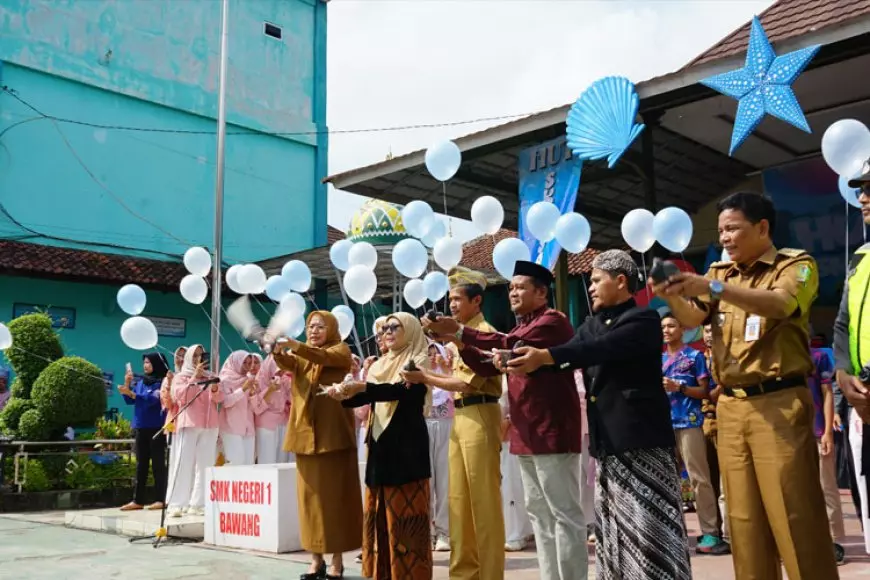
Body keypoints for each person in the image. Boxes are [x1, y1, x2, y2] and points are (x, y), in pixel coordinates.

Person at [652, 191, 838, 578]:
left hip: (779, 403)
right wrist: (672, 294)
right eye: (720, 231)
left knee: (794, 514)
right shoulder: (719, 273)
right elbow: (690, 319)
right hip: (731, 407)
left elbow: (780, 305)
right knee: (743, 520)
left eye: (732, 228)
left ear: (762, 228)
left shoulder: (794, 265)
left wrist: (711, 287)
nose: (724, 238)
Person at [510, 250, 691, 580]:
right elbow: (570, 356)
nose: (590, 287)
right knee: (616, 530)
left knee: (648, 527)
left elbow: (594, 350)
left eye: (596, 280)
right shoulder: (592, 324)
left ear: (621, 282)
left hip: (642, 443)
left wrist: (546, 356)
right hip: (608, 443)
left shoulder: (643, 320)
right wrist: (519, 360)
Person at [425, 261, 586, 580]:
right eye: (510, 287)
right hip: (526, 431)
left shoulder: (552, 321)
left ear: (542, 293)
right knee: (539, 515)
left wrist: (458, 331)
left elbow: (506, 346)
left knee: (563, 514)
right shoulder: (519, 328)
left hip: (552, 431)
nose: (512, 292)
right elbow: (487, 366)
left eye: (520, 287)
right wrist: (458, 341)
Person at [412, 266, 505, 580]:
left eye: (457, 299)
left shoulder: (484, 333)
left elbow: (466, 384)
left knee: (484, 502)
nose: (451, 305)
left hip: (479, 411)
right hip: (460, 416)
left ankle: (490, 574)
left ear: (476, 301)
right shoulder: (455, 338)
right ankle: (464, 573)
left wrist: (424, 377)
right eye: (449, 299)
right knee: (458, 502)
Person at [328, 312, 433, 580]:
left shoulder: (418, 359)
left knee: (406, 522)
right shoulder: (378, 366)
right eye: (384, 328)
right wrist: (342, 394)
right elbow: (369, 395)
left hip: (407, 449)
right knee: (378, 517)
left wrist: (363, 387)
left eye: (394, 327)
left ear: (409, 330)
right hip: (380, 447)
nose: (387, 331)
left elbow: (400, 391)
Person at [273, 311, 362, 580]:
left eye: (320, 326)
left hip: (333, 438)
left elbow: (322, 357)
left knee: (334, 501)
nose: (313, 331)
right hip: (305, 436)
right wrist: (276, 350)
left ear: (332, 329)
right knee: (309, 502)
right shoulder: (303, 354)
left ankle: (336, 562)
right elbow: (289, 362)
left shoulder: (341, 350)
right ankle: (315, 560)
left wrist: (296, 345)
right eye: (311, 326)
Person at [660, 314, 727, 555]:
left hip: (690, 421)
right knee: (668, 481)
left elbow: (705, 391)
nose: (667, 330)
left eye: (671, 326)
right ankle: (672, 532)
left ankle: (710, 532)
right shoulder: (659, 359)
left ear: (683, 329)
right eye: (663, 327)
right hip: (665, 424)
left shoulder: (694, 357)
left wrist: (680, 387)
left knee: (699, 478)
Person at [833, 157, 870, 556]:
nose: (862, 197)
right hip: (861, 399)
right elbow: (842, 325)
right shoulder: (860, 258)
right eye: (861, 189)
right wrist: (843, 372)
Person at [165, 344, 222, 517]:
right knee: (183, 463)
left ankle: (198, 503)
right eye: (194, 355)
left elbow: (220, 399)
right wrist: (194, 378)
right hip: (189, 424)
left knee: (205, 464)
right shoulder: (181, 377)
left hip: (209, 425)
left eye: (201, 355)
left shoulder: (211, 376)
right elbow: (180, 398)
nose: (198, 358)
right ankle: (176, 503)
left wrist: (214, 388)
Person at [808, 344, 847, 563]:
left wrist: (827, 434)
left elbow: (827, 392)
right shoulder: (778, 357)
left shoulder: (818, 356)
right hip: (788, 436)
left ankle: (834, 540)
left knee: (827, 487)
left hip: (817, 430)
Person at [118, 352, 170, 511]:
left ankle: (160, 499)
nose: (145, 365)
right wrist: (127, 385)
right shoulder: (141, 382)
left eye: (148, 362)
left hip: (157, 428)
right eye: (144, 363)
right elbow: (129, 400)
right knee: (141, 465)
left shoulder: (163, 382)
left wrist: (132, 393)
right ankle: (137, 500)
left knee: (158, 465)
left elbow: (154, 400)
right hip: (140, 426)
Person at [499, 374, 534, 552]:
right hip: (499, 435)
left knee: (513, 484)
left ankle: (517, 533)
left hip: (514, 434)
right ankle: (514, 531)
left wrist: (507, 423)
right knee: (507, 484)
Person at [426, 341, 454, 552]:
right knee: (426, 481)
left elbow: (456, 391)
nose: (433, 357)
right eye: (429, 353)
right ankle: (427, 531)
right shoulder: (420, 377)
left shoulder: (449, 375)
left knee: (445, 481)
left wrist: (445, 369)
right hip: (423, 426)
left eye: (436, 353)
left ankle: (444, 531)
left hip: (447, 426)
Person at [218, 351, 260, 465]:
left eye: (249, 363)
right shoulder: (225, 380)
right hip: (231, 427)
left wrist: (253, 393)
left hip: (248, 427)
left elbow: (254, 407)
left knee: (248, 464)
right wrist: (243, 389)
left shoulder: (248, 379)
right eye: (244, 362)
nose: (247, 366)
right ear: (235, 362)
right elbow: (226, 402)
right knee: (236, 463)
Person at [252, 355, 290, 465]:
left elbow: (290, 398)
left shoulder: (284, 379)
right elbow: (257, 407)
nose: (280, 373)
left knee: (282, 460)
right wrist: (270, 390)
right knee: (267, 461)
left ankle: (281, 483)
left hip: (283, 422)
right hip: (266, 424)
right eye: (278, 370)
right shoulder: (259, 380)